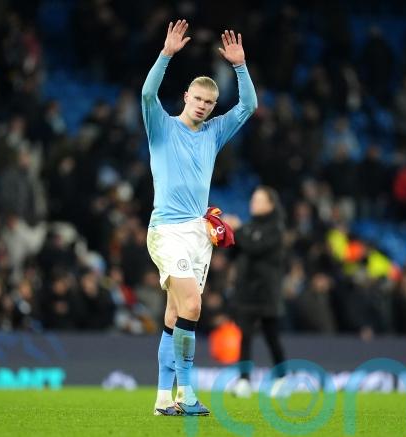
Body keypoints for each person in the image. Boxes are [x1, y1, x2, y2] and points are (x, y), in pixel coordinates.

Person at [143, 20, 257, 416]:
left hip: (198, 233)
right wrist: (166, 55)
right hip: (166, 230)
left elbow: (248, 106)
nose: (203, 106)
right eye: (198, 99)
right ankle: (187, 393)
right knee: (192, 305)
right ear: (185, 97)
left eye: (209, 102)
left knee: (175, 314)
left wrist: (240, 67)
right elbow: (147, 94)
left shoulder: (213, 132)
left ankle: (163, 398)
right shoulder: (161, 127)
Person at [227, 186, 288, 398]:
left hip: (266, 292)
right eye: (253, 199)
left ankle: (282, 378)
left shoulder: (276, 228)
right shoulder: (249, 227)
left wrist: (238, 229)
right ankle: (244, 380)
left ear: (270, 204)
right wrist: (229, 234)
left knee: (272, 336)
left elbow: (256, 247)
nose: (254, 203)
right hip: (246, 292)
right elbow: (237, 252)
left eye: (259, 200)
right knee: (244, 336)